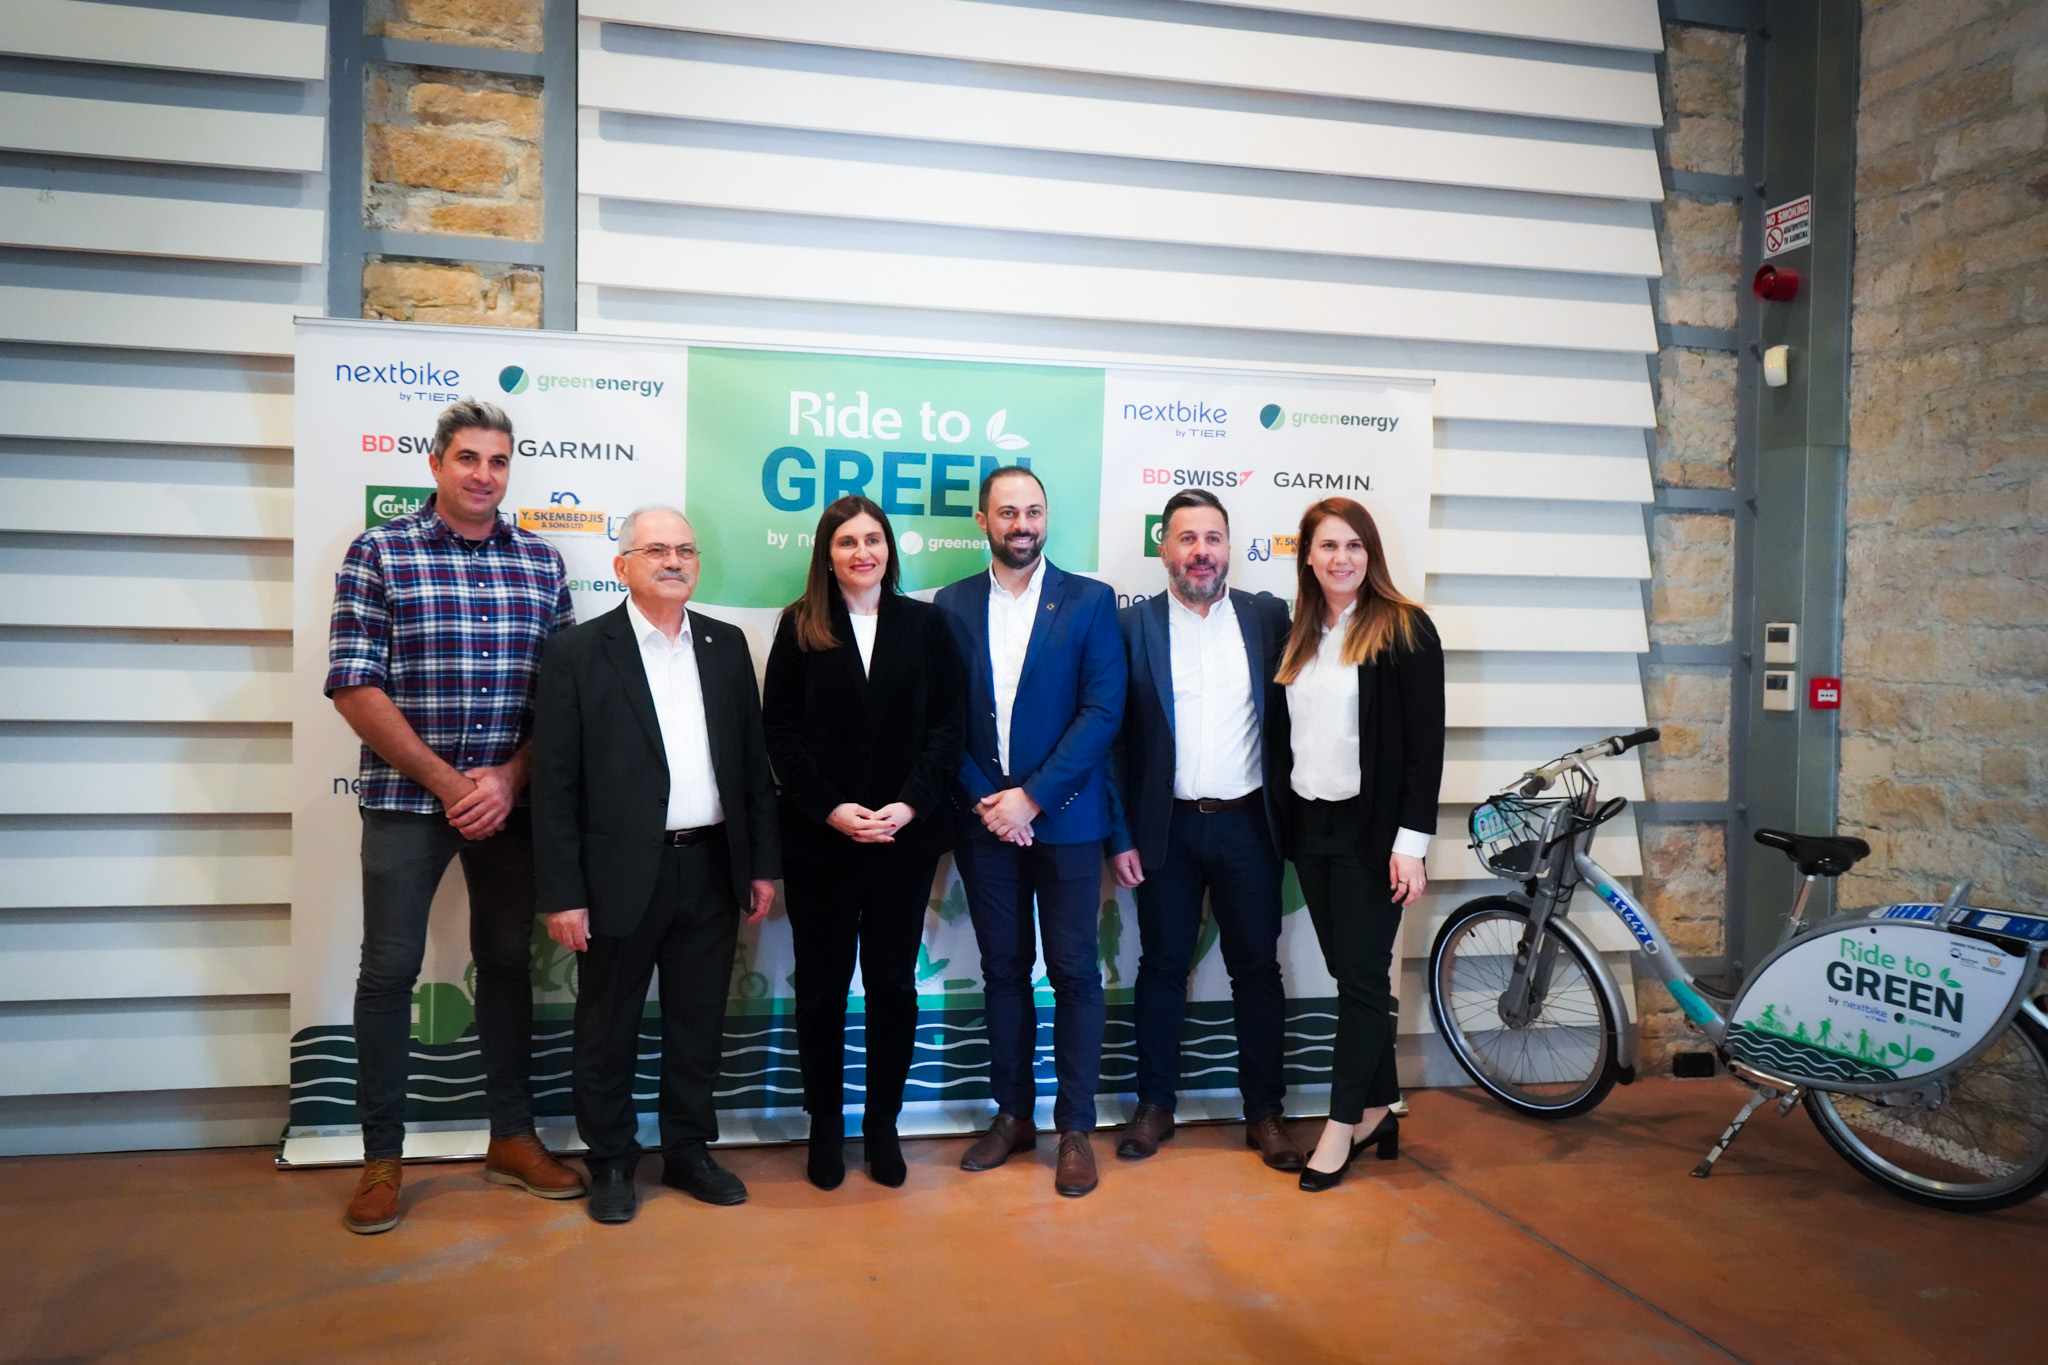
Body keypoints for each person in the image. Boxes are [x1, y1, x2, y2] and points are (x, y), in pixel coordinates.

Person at [326, 400, 585, 1235]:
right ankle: (381, 1158)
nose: (484, 474)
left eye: (498, 460)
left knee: (506, 963)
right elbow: (354, 684)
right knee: (388, 972)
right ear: (435, 463)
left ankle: (511, 1137)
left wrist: (507, 778)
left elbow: (565, 699)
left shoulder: (541, 563)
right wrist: (450, 784)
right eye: (468, 457)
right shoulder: (379, 552)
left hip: (512, 804)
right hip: (408, 801)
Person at [531, 506, 781, 1223]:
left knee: (697, 1021)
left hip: (711, 865)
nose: (674, 561)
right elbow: (554, 786)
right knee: (607, 1026)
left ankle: (688, 1149)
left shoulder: (727, 645)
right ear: (622, 566)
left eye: (685, 550)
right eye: (656, 550)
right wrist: (563, 893)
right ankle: (611, 1158)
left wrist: (761, 864)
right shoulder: (578, 652)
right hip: (616, 874)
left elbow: (751, 765)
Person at [762, 496, 965, 1192]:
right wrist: (831, 808)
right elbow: (780, 730)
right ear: (827, 554)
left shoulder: (927, 625)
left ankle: (883, 1124)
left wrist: (908, 805)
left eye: (872, 539)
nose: (862, 552)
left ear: (889, 549)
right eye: (847, 541)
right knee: (821, 990)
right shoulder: (800, 626)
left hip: (902, 842)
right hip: (822, 843)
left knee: (892, 987)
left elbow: (948, 728)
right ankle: (825, 1123)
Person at [933, 466, 1126, 1197]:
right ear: (983, 521)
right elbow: (943, 718)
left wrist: (1033, 799)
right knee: (1004, 971)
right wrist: (992, 801)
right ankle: (1012, 1115)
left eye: (1034, 511)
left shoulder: (1091, 600)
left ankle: (1075, 1128)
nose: (1023, 524)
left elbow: (1103, 712)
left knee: (1074, 973)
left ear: (1047, 518)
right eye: (1008, 512)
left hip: (1067, 821)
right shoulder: (951, 604)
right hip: (985, 823)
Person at [1106, 489, 1302, 1172]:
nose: (1201, 552)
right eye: (1186, 538)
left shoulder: (1266, 617)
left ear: (1229, 547)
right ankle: (1154, 1105)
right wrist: (1121, 835)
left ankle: (1265, 1112)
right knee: (1161, 967)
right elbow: (1116, 743)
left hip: (1249, 826)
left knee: (1258, 969)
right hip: (1165, 830)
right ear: (1164, 547)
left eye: (1212, 538)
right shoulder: (1132, 626)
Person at [1277, 497, 1443, 1192]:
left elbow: (1423, 749)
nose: (1341, 557)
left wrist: (1411, 845)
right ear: (1308, 556)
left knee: (1364, 982)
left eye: (1353, 545)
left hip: (1372, 835)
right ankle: (1380, 1109)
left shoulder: (1404, 628)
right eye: (1327, 545)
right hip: (1310, 829)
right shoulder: (1300, 633)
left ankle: (1341, 1124)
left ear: (1370, 553)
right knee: (1352, 974)